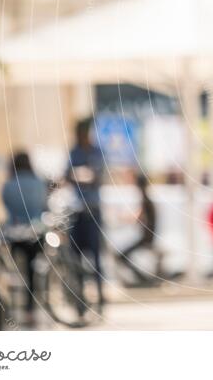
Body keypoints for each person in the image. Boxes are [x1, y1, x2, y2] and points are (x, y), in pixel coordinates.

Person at [1, 150, 47, 323]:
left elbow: (6, 206)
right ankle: (30, 310)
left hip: (14, 233)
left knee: (13, 271)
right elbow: (44, 205)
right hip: (35, 232)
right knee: (32, 271)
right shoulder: (38, 183)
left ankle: (10, 308)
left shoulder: (8, 184)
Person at [65, 117, 106, 311]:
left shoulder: (97, 152)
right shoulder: (74, 152)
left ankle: (100, 296)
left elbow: (97, 176)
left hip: (93, 210)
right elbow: (67, 175)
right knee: (76, 257)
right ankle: (80, 298)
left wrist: (80, 175)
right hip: (78, 211)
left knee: (97, 257)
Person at [116, 171, 159, 286]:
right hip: (146, 238)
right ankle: (142, 278)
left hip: (146, 239)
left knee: (121, 256)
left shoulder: (145, 200)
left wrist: (120, 218)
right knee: (123, 256)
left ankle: (143, 279)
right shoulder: (147, 199)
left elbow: (137, 217)